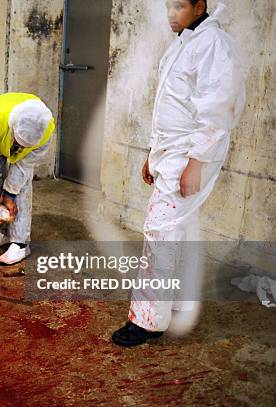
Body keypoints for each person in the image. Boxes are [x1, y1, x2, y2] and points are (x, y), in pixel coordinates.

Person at [112, 0, 246, 347]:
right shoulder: (185, 42)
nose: (171, 14)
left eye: (179, 6)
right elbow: (170, 106)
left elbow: (218, 108)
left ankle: (148, 321)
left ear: (200, 5)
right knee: (174, 232)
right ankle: (174, 303)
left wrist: (196, 162)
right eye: (169, 6)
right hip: (172, 152)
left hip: (189, 154)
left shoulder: (212, 44)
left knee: (159, 231)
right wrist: (152, 155)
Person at [0, 93, 55, 265]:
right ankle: (0, 232)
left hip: (24, 158)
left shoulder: (46, 132)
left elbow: (24, 166)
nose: (21, 147)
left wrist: (10, 195)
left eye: (26, 145)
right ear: (13, 126)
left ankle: (20, 243)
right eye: (19, 142)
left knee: (20, 188)